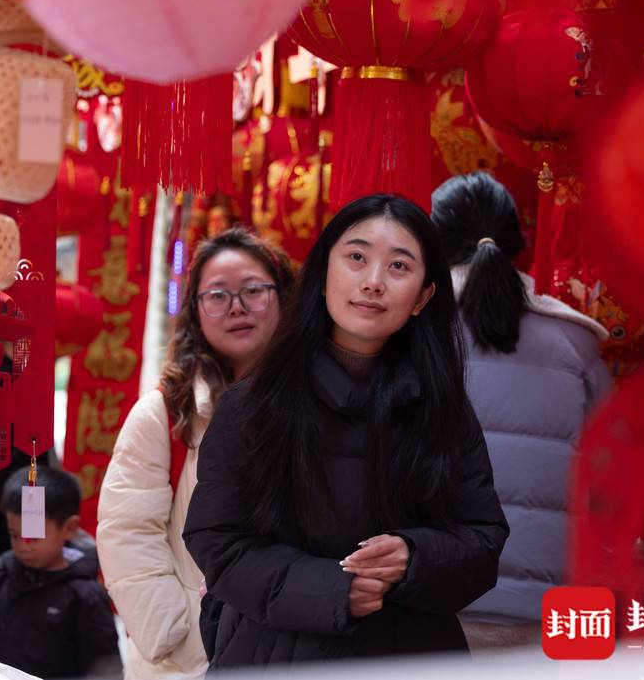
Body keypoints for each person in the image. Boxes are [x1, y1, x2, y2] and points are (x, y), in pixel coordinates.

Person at [182, 195, 508, 668]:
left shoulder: (443, 410)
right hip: (275, 655)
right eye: (357, 257)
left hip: (413, 656)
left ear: (422, 297)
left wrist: (415, 557)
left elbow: (483, 542)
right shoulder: (256, 403)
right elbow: (217, 541)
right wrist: (331, 590)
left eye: (399, 266)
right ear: (323, 275)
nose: (373, 282)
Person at [97, 228, 296, 679]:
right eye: (217, 295)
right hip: (189, 661)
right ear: (196, 312)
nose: (237, 307)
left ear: (284, 298)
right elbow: (126, 531)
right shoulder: (166, 412)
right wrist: (178, 634)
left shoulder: (318, 404)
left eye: (253, 291)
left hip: (294, 644)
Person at [430, 172, 612, 651]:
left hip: (436, 603)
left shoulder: (415, 333)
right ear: (516, 241)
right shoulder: (576, 342)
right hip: (557, 610)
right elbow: (615, 474)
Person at [0, 465, 121, 679]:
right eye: (15, 535)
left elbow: (105, 670)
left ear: (69, 528)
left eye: (33, 536)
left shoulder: (86, 596)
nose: (23, 545)